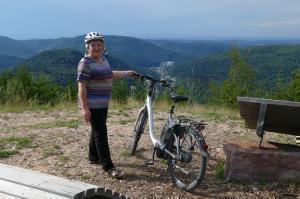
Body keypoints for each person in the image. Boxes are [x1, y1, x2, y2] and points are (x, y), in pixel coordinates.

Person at [77, 32, 137, 178]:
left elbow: (109, 74)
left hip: (103, 103)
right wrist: (85, 108)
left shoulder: (102, 60)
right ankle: (108, 166)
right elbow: (82, 87)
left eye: (99, 45)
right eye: (93, 45)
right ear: (87, 47)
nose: (96, 47)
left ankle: (93, 156)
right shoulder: (85, 63)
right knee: (101, 133)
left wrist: (127, 73)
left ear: (103, 47)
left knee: (97, 130)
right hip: (92, 104)